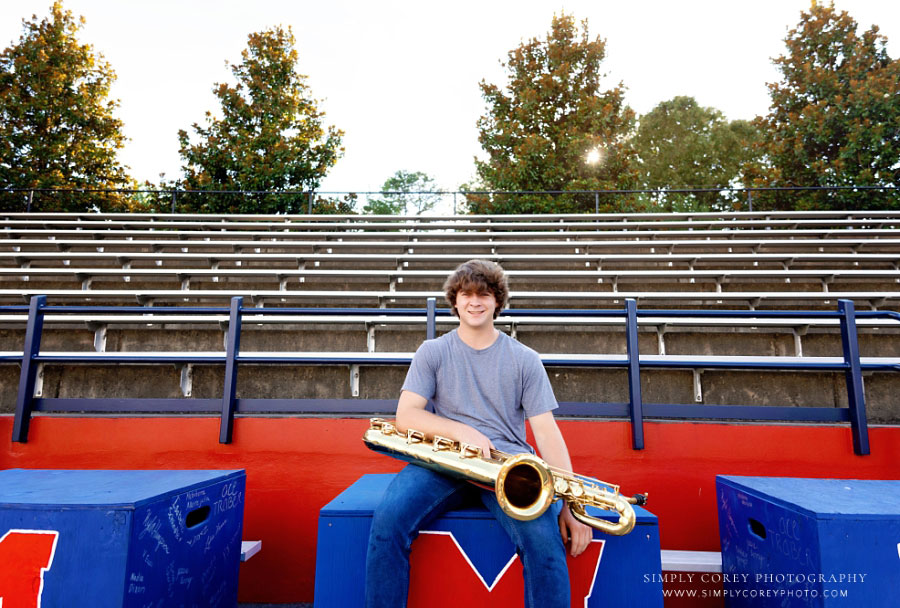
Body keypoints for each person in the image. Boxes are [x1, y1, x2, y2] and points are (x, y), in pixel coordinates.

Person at [365, 259, 592, 608]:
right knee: (386, 525)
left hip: (506, 468)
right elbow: (406, 415)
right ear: (454, 301)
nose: (474, 302)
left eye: (484, 294)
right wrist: (462, 431)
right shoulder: (433, 352)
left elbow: (546, 432)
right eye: (466, 294)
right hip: (443, 462)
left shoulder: (525, 359)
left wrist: (572, 505)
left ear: (497, 302)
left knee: (545, 546)